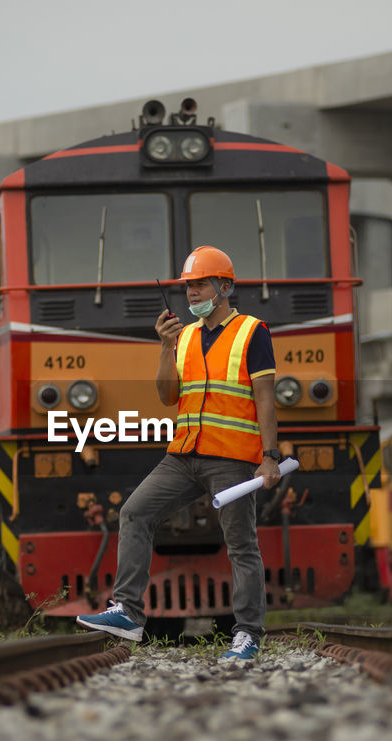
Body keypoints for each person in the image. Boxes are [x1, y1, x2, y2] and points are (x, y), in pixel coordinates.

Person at [77, 246, 281, 660]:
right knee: (135, 512)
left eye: (200, 284)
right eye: (188, 286)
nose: (191, 293)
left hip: (231, 458)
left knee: (241, 543)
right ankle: (129, 612)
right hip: (183, 456)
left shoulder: (252, 332)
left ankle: (248, 634)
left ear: (224, 286)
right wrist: (165, 348)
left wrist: (271, 455)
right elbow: (168, 396)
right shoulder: (184, 336)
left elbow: (265, 398)